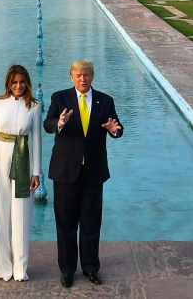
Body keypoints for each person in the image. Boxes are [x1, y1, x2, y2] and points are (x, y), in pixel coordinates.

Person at [43, 59, 124, 288]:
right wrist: (59, 123)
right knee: (66, 224)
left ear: (92, 76)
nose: (82, 79)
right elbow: (47, 124)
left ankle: (90, 267)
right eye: (78, 75)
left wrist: (115, 131)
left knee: (91, 223)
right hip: (66, 172)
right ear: (71, 77)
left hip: (93, 172)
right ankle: (67, 270)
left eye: (86, 75)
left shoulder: (105, 101)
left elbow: (117, 127)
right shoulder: (60, 98)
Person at [0, 64, 42, 281]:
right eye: (14, 82)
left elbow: (37, 141)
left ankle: (19, 269)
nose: (18, 86)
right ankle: (0, 267)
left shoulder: (34, 106)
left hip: (24, 157)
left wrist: (37, 173)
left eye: (22, 82)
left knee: (22, 215)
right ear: (8, 83)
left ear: (27, 83)